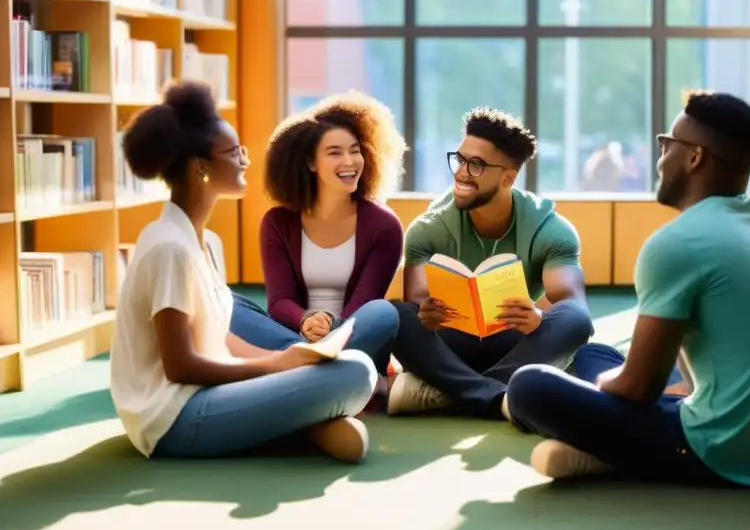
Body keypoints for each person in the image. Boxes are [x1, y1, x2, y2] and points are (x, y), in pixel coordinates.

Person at [506, 92, 750, 488]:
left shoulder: (678, 243)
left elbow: (637, 389)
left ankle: (606, 452)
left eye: (667, 144)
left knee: (529, 386)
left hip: (721, 451)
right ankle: (611, 442)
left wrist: (597, 395)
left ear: (695, 157)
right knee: (594, 353)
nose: (660, 158)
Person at [110, 82, 378, 462]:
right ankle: (308, 420)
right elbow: (181, 364)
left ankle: (305, 421)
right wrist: (276, 365)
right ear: (201, 166)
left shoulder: (207, 242)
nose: (245, 160)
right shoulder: (169, 247)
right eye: (235, 152)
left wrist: (287, 361)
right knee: (357, 372)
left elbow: (219, 339)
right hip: (172, 418)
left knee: (339, 365)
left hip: (205, 397)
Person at [387, 107, 595, 420]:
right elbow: (416, 302)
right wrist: (427, 315)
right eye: (460, 160)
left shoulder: (550, 229)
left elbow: (571, 303)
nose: (461, 173)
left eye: (477, 165)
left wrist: (538, 318)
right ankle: (501, 396)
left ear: (508, 177)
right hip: (450, 343)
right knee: (397, 317)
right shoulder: (427, 228)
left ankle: (445, 393)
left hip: (516, 341)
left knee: (576, 318)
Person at [228, 91, 405, 385]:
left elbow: (364, 303)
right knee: (224, 302)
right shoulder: (277, 222)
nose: (350, 161)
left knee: (384, 312)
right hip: (293, 338)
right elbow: (280, 301)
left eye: (355, 150)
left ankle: (295, 376)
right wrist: (305, 321)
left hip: (352, 338)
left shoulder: (384, 225)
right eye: (335, 152)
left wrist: (330, 329)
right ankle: (314, 374)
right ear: (310, 162)